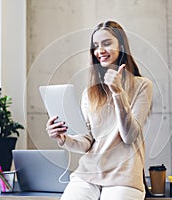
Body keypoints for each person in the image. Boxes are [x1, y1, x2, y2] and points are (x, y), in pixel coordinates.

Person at [46, 21, 153, 200]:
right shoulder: (90, 93)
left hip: (124, 176)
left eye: (106, 43)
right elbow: (87, 141)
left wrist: (118, 93)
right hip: (88, 173)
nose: (100, 50)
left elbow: (129, 136)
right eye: (95, 46)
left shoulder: (142, 86)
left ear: (122, 45)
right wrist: (64, 139)